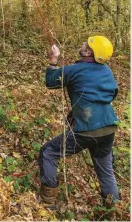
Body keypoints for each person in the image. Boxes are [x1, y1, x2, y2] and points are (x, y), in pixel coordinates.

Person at [39, 36, 119, 208]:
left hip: (85, 130)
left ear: (88, 52)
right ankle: (113, 211)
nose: (83, 44)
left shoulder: (75, 70)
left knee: (48, 152)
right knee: (106, 173)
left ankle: (48, 203)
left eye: (86, 44)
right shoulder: (107, 71)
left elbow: (51, 81)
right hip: (108, 128)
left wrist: (53, 60)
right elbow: (112, 93)